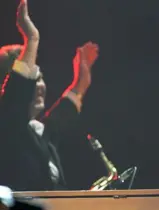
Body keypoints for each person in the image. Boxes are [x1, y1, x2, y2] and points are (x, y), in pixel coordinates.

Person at [0, 0, 99, 191]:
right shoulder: (7, 128)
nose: (39, 86)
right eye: (32, 80)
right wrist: (32, 39)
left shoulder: (38, 134)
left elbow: (59, 119)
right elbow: (16, 96)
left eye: (40, 78)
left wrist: (81, 82)